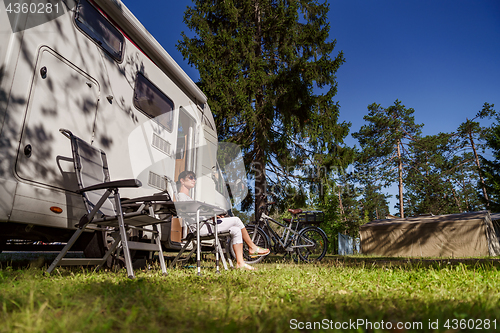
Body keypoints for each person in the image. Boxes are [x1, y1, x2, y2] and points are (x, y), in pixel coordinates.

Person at [176, 170, 269, 270]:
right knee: (236, 220)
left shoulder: (188, 197)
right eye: (190, 177)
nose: (193, 180)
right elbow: (193, 215)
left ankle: (240, 263)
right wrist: (210, 215)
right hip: (200, 228)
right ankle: (252, 247)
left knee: (236, 230)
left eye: (194, 178)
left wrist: (213, 216)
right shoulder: (181, 196)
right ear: (182, 180)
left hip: (205, 224)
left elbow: (195, 214)